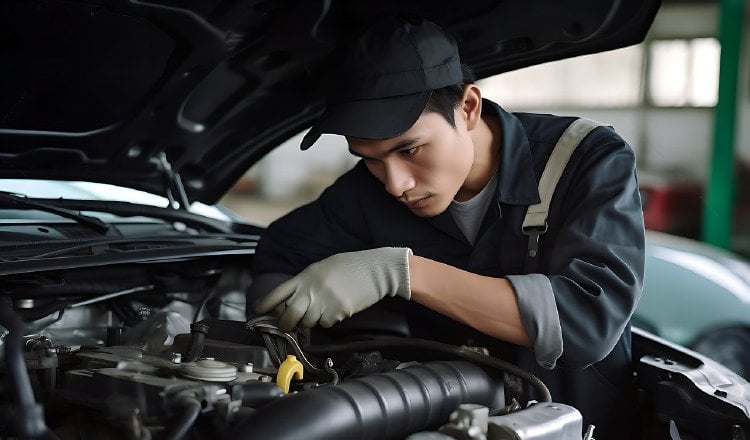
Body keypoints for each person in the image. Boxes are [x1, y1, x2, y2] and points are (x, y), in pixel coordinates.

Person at [247, 14, 645, 439]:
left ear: (468, 107)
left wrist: (400, 273)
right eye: (370, 158)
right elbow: (279, 254)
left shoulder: (584, 160)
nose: (395, 184)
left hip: (574, 425)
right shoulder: (366, 191)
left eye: (411, 149)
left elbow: (586, 322)